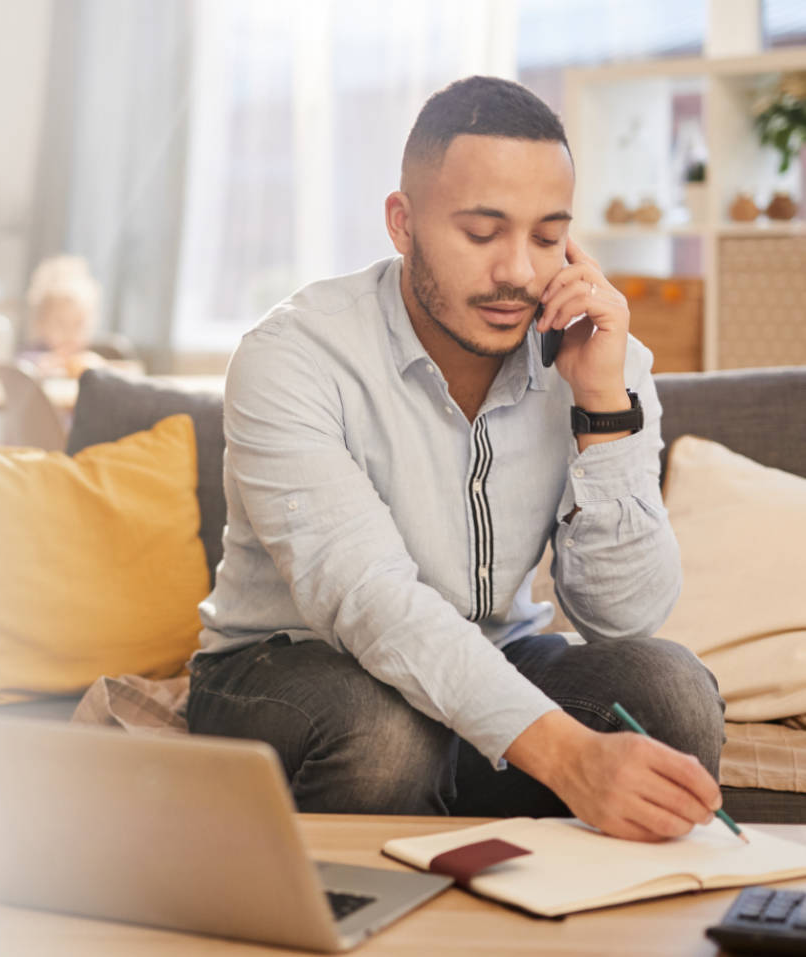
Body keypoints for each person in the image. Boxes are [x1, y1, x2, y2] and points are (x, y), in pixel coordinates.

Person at [186, 76, 725, 843]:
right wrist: (570, 758)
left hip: (490, 659)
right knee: (382, 736)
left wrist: (601, 407)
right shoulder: (293, 357)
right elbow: (370, 602)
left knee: (669, 693)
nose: (517, 272)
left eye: (546, 238)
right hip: (288, 674)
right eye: (481, 234)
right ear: (401, 224)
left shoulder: (603, 359)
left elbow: (626, 616)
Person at [21, 254, 107, 378]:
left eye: (79, 324)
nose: (70, 333)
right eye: (61, 324)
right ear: (41, 323)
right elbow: (22, 370)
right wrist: (51, 363)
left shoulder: (87, 360)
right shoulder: (33, 356)